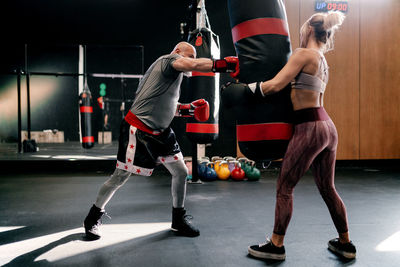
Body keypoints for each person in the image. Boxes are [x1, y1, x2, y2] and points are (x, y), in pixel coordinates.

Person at [83, 42, 238, 239]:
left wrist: (188, 109)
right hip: (139, 129)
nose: (191, 60)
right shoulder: (168, 60)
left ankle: (178, 219)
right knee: (120, 177)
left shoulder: (172, 76)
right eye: (189, 55)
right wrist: (224, 65)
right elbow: (194, 65)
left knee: (181, 172)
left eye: (193, 56)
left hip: (162, 132)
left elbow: (166, 106)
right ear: (177, 52)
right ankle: (93, 217)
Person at [243, 11, 356, 260]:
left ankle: (276, 245)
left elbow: (274, 85)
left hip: (310, 128)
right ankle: (345, 243)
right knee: (328, 188)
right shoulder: (323, 60)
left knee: (285, 187)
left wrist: (245, 90)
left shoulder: (303, 54)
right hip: (327, 127)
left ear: (307, 31)